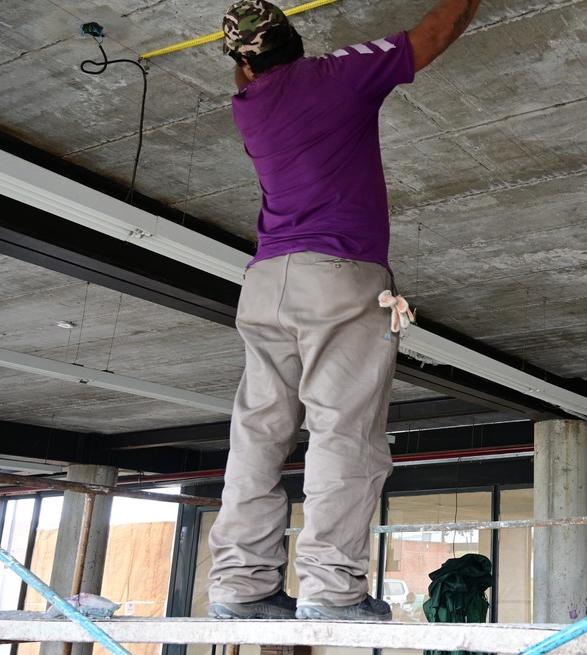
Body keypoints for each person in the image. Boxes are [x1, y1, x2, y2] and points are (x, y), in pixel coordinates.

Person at [206, 0, 480, 622]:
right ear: (295, 41)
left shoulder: (247, 104)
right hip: (338, 275)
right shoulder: (338, 74)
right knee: (343, 431)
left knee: (258, 434)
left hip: (264, 283)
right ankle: (331, 592)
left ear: (243, 67)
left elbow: (253, 74)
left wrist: (248, 64)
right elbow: (435, 32)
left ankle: (240, 588)